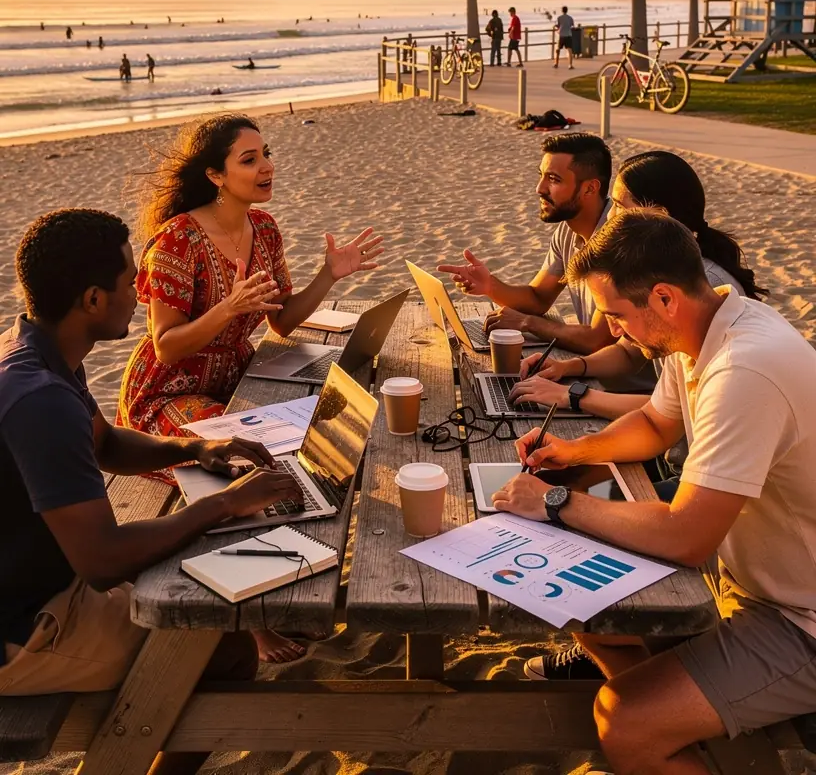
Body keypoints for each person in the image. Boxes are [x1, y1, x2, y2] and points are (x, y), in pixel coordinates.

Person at [494, 209, 816, 774]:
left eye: (616, 314)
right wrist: (573, 454)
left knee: (626, 722)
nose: (613, 330)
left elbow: (689, 535)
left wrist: (556, 502)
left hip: (802, 618)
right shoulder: (703, 330)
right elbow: (654, 425)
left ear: (664, 299)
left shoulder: (746, 370)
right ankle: (698, 730)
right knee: (586, 612)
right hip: (755, 582)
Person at [0, 209, 304, 773]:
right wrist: (225, 503)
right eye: (127, 281)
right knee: (224, 647)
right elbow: (103, 560)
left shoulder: (34, 350)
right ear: (93, 300)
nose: (140, 293)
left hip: (45, 586)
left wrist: (191, 451)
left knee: (206, 593)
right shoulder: (39, 399)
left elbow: (106, 444)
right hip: (23, 631)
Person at [118, 112, 383, 445]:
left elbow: (282, 321)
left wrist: (328, 275)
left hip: (238, 380)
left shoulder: (265, 228)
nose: (267, 166)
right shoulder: (178, 240)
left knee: (332, 417)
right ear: (215, 175)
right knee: (251, 451)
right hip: (169, 394)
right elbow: (166, 347)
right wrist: (229, 307)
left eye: (266, 154)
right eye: (249, 160)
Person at [509, 150, 766, 420]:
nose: (608, 217)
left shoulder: (698, 285)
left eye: (619, 206)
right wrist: (568, 367)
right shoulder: (659, 268)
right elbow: (628, 352)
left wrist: (572, 395)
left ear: (657, 215)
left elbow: (677, 413)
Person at [439, 133, 615, 355]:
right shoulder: (567, 231)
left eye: (553, 179)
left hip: (622, 382)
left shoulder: (619, 240)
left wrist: (527, 323)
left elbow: (596, 340)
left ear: (589, 189)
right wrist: (490, 285)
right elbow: (538, 298)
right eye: (541, 176)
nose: (539, 189)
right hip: (590, 365)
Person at [553, 5, 575, 70]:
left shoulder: (559, 17)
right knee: (569, 50)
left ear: (562, 10)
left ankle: (556, 64)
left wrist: (555, 27)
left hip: (561, 35)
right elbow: (572, 25)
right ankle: (570, 65)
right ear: (567, 10)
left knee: (558, 50)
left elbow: (558, 25)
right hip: (568, 35)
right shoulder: (570, 18)